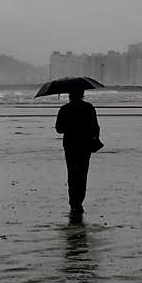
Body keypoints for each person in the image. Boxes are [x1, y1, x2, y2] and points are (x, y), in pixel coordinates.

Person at [55, 88, 100, 219]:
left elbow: (59, 129)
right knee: (82, 174)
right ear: (82, 95)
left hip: (70, 145)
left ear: (70, 96)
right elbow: (95, 127)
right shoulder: (89, 108)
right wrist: (95, 138)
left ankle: (73, 203)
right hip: (85, 145)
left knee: (72, 174)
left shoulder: (64, 109)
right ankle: (79, 202)